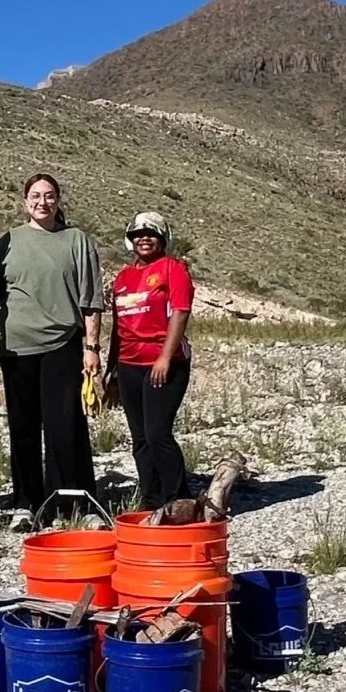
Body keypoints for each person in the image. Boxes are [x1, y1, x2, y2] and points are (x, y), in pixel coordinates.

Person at [0, 173, 104, 532]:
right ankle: (26, 504)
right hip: (17, 346)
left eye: (49, 195)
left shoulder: (76, 240)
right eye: (36, 196)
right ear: (25, 201)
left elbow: (92, 300)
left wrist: (92, 348)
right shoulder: (8, 241)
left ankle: (78, 502)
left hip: (62, 343)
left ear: (58, 200)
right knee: (23, 426)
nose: (43, 202)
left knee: (66, 424)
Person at [105, 211, 195, 510]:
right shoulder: (123, 277)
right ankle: (152, 500)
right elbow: (118, 324)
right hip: (129, 364)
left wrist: (165, 357)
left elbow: (180, 312)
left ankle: (179, 498)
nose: (144, 238)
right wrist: (111, 370)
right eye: (138, 234)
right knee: (140, 438)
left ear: (162, 238)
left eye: (151, 234)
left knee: (158, 433)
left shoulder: (173, 269)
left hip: (164, 361)